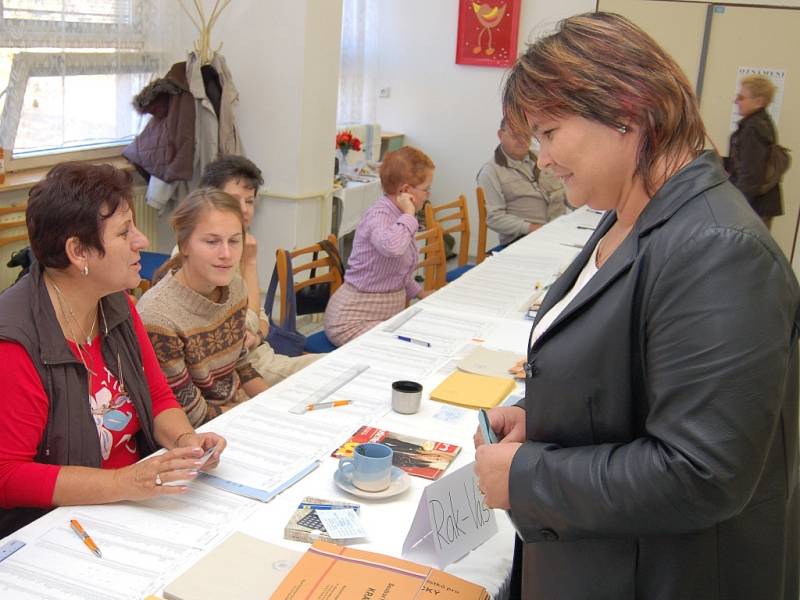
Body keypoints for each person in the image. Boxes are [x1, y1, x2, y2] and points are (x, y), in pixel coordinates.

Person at [474, 13, 799, 600]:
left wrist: (527, 476)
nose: (542, 159)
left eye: (549, 132)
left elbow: (702, 472)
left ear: (626, 109)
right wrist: (544, 416)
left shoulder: (717, 249)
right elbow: (633, 375)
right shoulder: (629, 214)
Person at [0, 162, 226, 537]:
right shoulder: (15, 344)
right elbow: (8, 476)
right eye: (125, 232)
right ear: (78, 252)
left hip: (127, 507)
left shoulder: (116, 303)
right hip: (54, 528)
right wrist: (126, 483)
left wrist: (187, 445)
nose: (142, 241)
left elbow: (156, 397)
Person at [137, 188, 268, 428]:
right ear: (184, 244)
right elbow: (190, 412)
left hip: (234, 411)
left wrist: (273, 406)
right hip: (199, 430)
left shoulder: (236, 287)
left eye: (234, 240)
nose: (227, 254)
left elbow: (241, 363)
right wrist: (256, 419)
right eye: (212, 241)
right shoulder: (158, 316)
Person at [199, 155, 319, 385]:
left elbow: (260, 319)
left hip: (263, 356)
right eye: (234, 200)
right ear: (210, 200)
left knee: (340, 366)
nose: (244, 209)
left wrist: (258, 335)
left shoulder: (240, 245)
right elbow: (243, 327)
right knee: (332, 372)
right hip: (241, 372)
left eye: (250, 201)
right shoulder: (208, 256)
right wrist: (250, 264)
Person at [324, 146, 435, 346]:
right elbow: (392, 247)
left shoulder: (399, 216)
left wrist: (420, 293)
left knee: (421, 339)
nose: (428, 195)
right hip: (349, 321)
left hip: (380, 318)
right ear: (405, 191)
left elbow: (396, 271)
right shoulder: (380, 215)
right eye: (426, 189)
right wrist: (410, 215)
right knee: (401, 347)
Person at [476, 117, 567, 247]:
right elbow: (494, 218)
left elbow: (565, 190)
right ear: (500, 135)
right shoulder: (490, 172)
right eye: (515, 135)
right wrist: (533, 228)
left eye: (525, 134)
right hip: (522, 239)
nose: (521, 140)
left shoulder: (542, 159)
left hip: (557, 229)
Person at [728, 74, 783, 230]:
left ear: (758, 102)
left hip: (753, 209)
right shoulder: (760, 124)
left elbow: (750, 175)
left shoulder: (753, 129)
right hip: (756, 206)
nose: (736, 101)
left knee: (743, 253)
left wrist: (735, 209)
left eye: (741, 97)